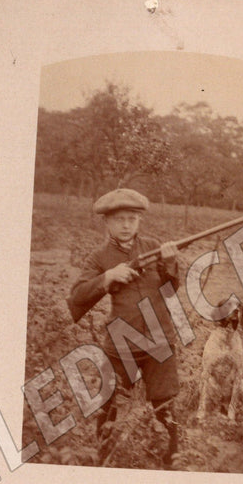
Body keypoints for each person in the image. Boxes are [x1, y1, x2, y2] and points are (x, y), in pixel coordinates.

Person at [68, 187, 181, 468]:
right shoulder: (98, 257)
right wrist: (109, 276)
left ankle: (171, 462)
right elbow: (77, 297)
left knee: (166, 406)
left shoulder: (154, 248)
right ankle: (102, 462)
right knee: (108, 407)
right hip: (122, 343)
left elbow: (170, 291)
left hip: (160, 339)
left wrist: (169, 263)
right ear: (107, 222)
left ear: (139, 221)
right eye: (119, 219)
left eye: (132, 218)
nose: (126, 224)